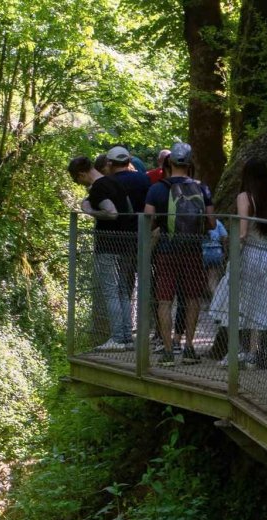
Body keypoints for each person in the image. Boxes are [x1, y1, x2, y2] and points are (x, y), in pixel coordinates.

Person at [144, 141, 214, 365]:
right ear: (190, 162)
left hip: (166, 249)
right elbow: (211, 223)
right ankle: (190, 348)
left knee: (164, 299)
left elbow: (147, 221)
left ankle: (166, 351)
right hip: (193, 249)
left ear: (170, 162)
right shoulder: (202, 189)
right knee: (193, 297)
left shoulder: (156, 189)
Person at [207, 156, 267, 368]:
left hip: (248, 255)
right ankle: (252, 355)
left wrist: (233, 251)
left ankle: (235, 351)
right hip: (266, 256)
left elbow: (243, 230)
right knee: (258, 302)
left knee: (231, 301)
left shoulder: (244, 197)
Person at [69, 155, 136, 349]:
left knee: (111, 291)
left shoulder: (99, 188)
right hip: (127, 243)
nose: (79, 183)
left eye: (77, 179)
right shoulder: (114, 182)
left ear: (81, 174)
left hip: (108, 244)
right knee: (123, 290)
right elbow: (127, 210)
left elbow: (112, 212)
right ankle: (126, 337)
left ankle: (116, 338)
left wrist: (89, 211)